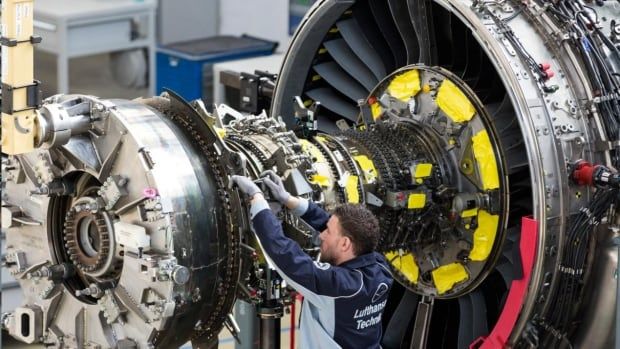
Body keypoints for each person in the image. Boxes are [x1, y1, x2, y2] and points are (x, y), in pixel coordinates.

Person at [231, 171, 393, 349]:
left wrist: (257, 199)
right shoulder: (379, 266)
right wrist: (288, 199)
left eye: (327, 232)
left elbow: (285, 255)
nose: (321, 236)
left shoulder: (339, 287)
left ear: (345, 244)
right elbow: (329, 223)